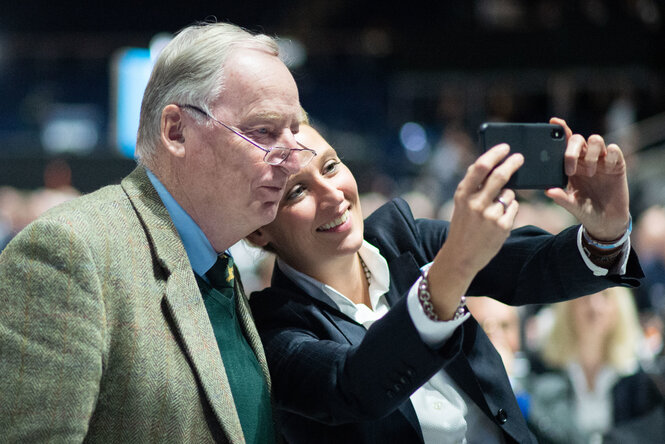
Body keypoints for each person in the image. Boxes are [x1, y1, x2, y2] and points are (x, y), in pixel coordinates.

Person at [0, 21, 313, 443]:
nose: (293, 162)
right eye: (264, 131)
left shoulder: (217, 265)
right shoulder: (68, 254)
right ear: (176, 131)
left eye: (296, 132)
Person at [246, 120, 644, 443]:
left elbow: (531, 269)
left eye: (331, 166)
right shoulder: (272, 330)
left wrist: (605, 233)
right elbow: (354, 385)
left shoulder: (404, 237)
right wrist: (452, 269)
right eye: (297, 191)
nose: (333, 195)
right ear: (258, 231)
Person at [527, 287, 662, 443]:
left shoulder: (636, 377)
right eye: (585, 294)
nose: (594, 306)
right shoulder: (544, 368)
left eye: (605, 295)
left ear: (620, 306)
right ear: (568, 305)